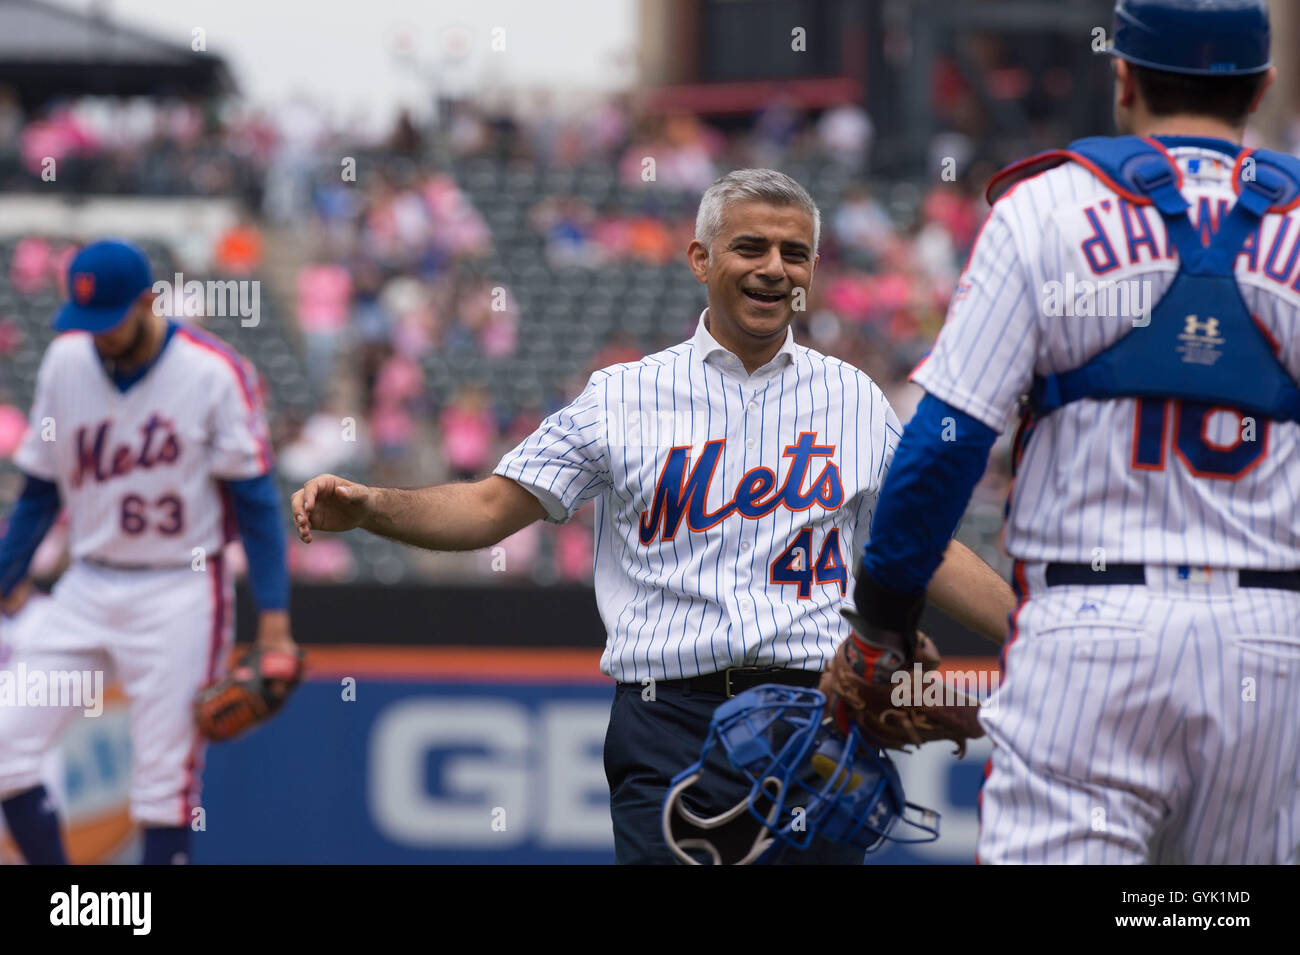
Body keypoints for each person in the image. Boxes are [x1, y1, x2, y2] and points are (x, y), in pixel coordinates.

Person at [292, 169, 1015, 865]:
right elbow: (489, 505)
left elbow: (925, 547)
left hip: (817, 716)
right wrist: (372, 508)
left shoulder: (854, 399)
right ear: (700, 258)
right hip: (671, 723)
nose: (774, 268)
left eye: (794, 253)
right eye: (750, 247)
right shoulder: (623, 395)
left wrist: (1035, 632)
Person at [843, 0, 1300, 863]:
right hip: (1271, 640)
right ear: (1262, 86)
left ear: (1121, 78)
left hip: (1092, 628)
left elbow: (944, 442)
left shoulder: (1046, 208)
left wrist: (882, 625)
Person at [0, 239, 297, 864]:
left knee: (164, 789)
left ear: (148, 301)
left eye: (110, 319)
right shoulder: (65, 361)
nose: (98, 335)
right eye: (87, 322)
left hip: (180, 589)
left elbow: (257, 503)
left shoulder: (214, 372)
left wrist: (273, 621)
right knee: (7, 749)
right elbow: (37, 494)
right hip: (85, 583)